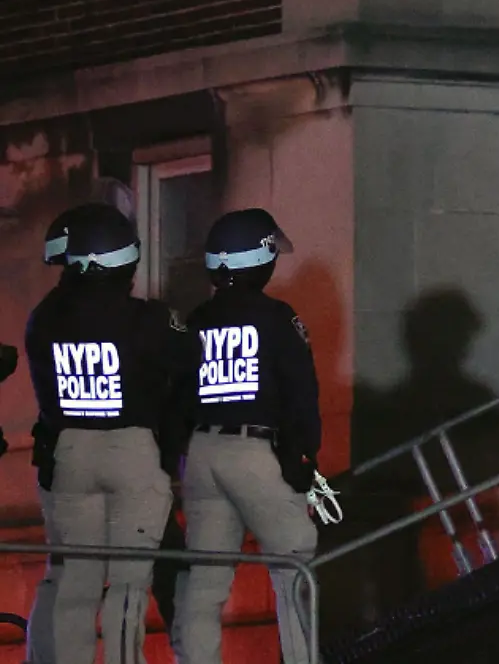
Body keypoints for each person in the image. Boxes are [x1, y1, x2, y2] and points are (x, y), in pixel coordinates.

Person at [24, 205, 194, 664]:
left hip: (70, 455)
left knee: (73, 582)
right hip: (133, 450)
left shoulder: (44, 319)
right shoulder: (149, 320)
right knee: (129, 583)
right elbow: (190, 366)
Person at [172, 208, 322, 664]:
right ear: (260, 259)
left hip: (201, 453)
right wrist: (302, 457)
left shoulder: (194, 320)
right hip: (256, 452)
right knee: (295, 564)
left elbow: (175, 395)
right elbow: (300, 392)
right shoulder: (278, 318)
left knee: (204, 582)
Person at [24, 205, 89, 664]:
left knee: (62, 572)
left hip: (56, 457)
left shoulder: (45, 315)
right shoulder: (85, 314)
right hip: (83, 456)